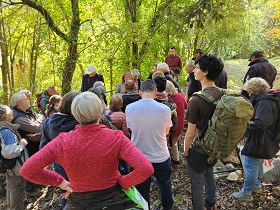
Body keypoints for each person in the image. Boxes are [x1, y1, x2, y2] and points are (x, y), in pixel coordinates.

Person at [20, 92, 154, 210]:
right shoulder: (116, 137)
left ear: (75, 114)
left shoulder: (62, 142)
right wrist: (124, 182)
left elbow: (27, 170)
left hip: (79, 202)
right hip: (114, 200)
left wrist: (60, 181)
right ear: (101, 112)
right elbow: (146, 168)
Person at [126, 79, 174, 210]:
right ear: (155, 91)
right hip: (160, 155)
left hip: (139, 157)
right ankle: (168, 207)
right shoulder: (165, 109)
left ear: (140, 92)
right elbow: (166, 132)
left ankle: (144, 207)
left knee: (141, 188)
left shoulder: (129, 108)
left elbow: (131, 130)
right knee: (165, 183)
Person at [184, 54, 223, 210]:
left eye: (198, 68)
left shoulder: (196, 100)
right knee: (209, 173)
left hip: (200, 148)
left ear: (206, 71)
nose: (194, 70)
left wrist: (186, 150)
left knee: (197, 183)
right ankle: (211, 203)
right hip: (216, 146)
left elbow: (190, 133)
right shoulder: (223, 93)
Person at [232, 78, 280, 201]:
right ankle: (257, 186)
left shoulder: (265, 102)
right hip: (264, 139)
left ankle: (246, 193)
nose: (248, 94)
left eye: (248, 91)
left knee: (251, 165)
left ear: (253, 90)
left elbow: (261, 124)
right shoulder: (267, 99)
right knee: (257, 164)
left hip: (259, 140)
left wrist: (245, 123)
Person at [0, 105, 28, 210]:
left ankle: (10, 207)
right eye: (9, 110)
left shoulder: (3, 128)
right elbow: (9, 153)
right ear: (5, 116)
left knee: (11, 188)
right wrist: (22, 144)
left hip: (9, 167)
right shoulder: (6, 131)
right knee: (17, 191)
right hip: (15, 168)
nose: (12, 111)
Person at [11, 92, 42, 157]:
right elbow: (38, 129)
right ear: (20, 103)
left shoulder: (27, 111)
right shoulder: (18, 118)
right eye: (26, 99)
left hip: (35, 146)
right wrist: (38, 122)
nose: (29, 100)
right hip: (29, 150)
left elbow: (42, 116)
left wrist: (37, 121)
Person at [165, 80, 187, 164]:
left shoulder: (167, 100)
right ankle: (176, 159)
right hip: (180, 124)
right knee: (174, 143)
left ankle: (169, 161)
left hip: (172, 125)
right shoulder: (180, 96)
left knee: (166, 144)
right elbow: (185, 107)